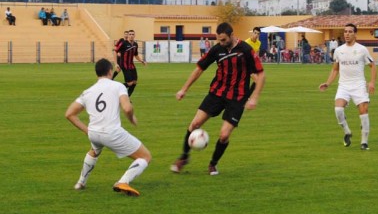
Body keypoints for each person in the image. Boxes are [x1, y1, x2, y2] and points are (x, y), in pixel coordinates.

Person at [170, 22, 265, 175]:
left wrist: (254, 97)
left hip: (237, 97)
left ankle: (213, 164)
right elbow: (199, 69)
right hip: (217, 93)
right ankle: (184, 157)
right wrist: (184, 89)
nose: (220, 43)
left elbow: (260, 74)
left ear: (232, 36)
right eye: (218, 40)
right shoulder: (217, 49)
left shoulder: (246, 50)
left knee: (224, 135)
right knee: (194, 124)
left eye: (223, 40)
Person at [65, 58, 152, 197]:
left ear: (97, 73)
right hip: (111, 133)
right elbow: (127, 108)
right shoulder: (118, 86)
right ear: (110, 72)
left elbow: (69, 114)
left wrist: (87, 130)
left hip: (94, 133)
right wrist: (132, 119)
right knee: (145, 156)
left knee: (94, 151)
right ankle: (123, 182)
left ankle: (80, 182)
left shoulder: (88, 91)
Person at [319, 23, 377, 150]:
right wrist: (327, 83)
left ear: (355, 34)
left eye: (350, 31)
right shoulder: (339, 50)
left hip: (359, 85)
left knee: (363, 112)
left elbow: (373, 66)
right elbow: (335, 70)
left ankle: (364, 142)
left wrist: (372, 82)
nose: (347, 34)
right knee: (338, 110)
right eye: (345, 31)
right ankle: (347, 132)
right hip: (343, 86)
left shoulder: (362, 49)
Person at [116, 30, 146, 97]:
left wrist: (141, 61)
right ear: (128, 35)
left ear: (134, 35)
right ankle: (115, 88)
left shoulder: (135, 44)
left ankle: (127, 97)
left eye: (133, 34)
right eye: (130, 34)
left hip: (131, 65)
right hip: (124, 65)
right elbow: (115, 51)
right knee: (129, 83)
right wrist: (116, 63)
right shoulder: (124, 43)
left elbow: (136, 55)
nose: (131, 35)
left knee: (134, 82)